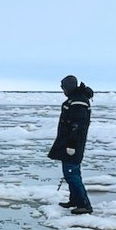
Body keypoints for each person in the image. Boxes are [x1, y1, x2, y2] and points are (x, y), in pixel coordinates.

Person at [47, 74, 94, 215]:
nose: (63, 90)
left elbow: (77, 125)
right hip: (68, 142)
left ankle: (84, 204)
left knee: (72, 173)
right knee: (70, 173)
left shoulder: (79, 102)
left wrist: (72, 145)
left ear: (70, 87)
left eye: (64, 87)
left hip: (73, 144)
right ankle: (74, 199)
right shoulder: (74, 100)